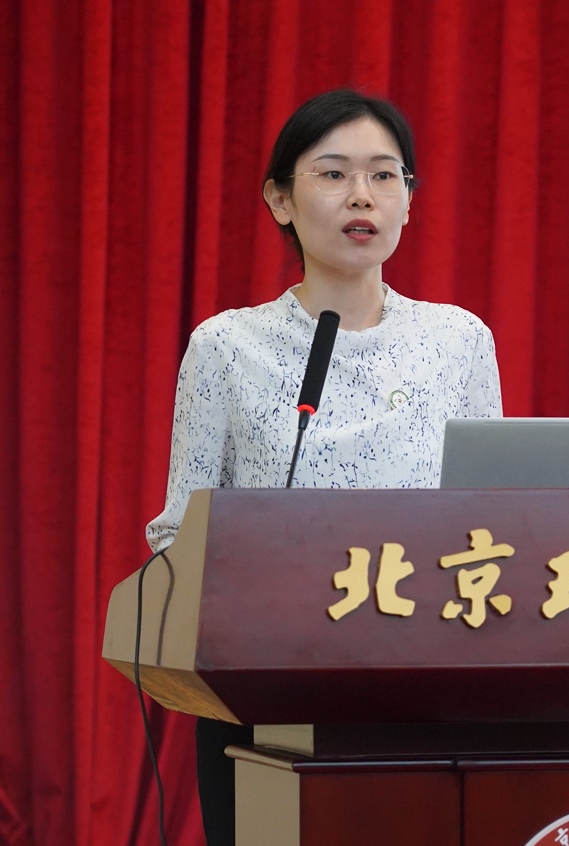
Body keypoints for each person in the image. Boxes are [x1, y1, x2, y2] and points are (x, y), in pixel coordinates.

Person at [145, 89, 503, 845]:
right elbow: (179, 530)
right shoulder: (227, 347)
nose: (362, 196)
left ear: (409, 199)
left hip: (426, 685)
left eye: (384, 175)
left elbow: (492, 516)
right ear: (280, 199)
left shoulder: (458, 340)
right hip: (267, 689)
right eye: (333, 174)